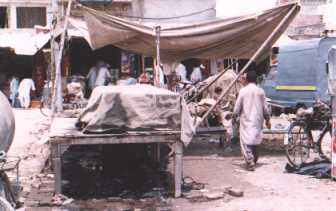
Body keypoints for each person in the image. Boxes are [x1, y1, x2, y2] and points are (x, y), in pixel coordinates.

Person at [233, 71, 271, 171]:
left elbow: (237, 107)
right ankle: (255, 158)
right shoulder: (261, 91)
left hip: (246, 119)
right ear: (256, 80)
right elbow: (265, 108)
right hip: (258, 119)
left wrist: (234, 116)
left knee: (246, 140)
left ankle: (250, 161)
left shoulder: (243, 91)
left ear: (247, 79)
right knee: (255, 139)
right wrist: (267, 119)